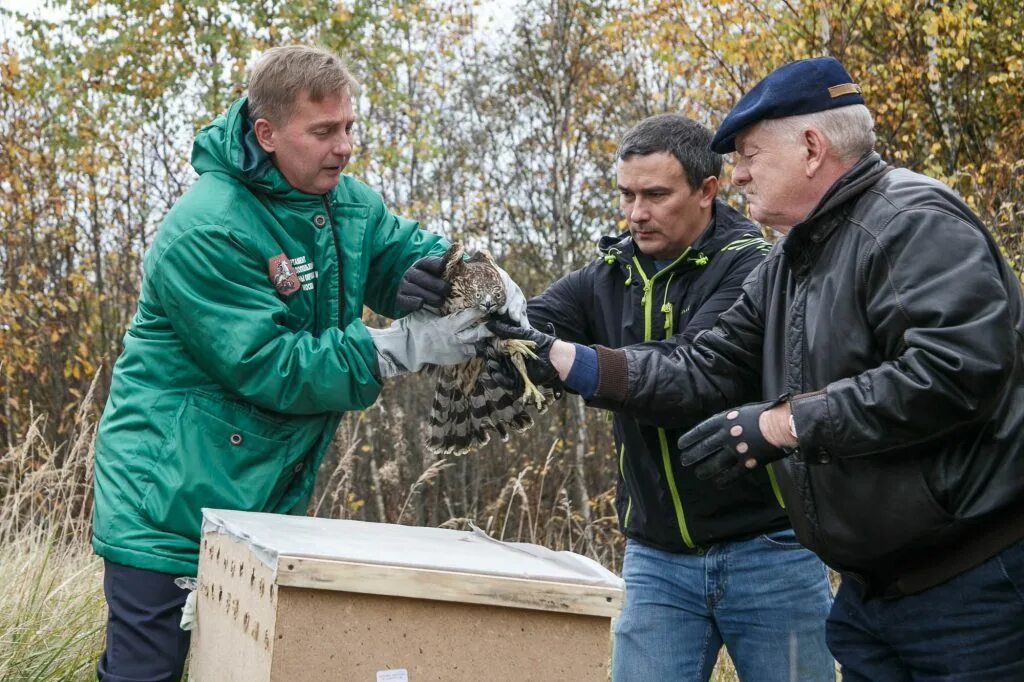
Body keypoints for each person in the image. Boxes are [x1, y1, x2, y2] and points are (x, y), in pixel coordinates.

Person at [490, 57, 1024, 680]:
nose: (737, 174)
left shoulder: (911, 221)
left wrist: (784, 424)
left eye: (747, 155)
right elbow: (705, 366)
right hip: (876, 591)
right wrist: (561, 358)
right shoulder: (792, 260)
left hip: (970, 586)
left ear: (811, 147)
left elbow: (956, 372)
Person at [90, 45, 523, 681]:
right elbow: (272, 366)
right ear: (266, 133)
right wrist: (401, 346)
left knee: (244, 669)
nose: (343, 147)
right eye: (323, 132)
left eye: (348, 127)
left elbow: (397, 251)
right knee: (145, 676)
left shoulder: (344, 202)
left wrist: (467, 275)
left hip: (261, 498)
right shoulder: (207, 228)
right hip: (169, 499)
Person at [502, 114, 834, 681]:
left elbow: (690, 376)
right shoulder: (610, 272)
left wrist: (572, 361)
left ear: (707, 190)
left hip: (770, 551)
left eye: (655, 195)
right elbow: (523, 325)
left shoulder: (755, 267)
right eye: (627, 195)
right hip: (656, 560)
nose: (636, 214)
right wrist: (458, 295)